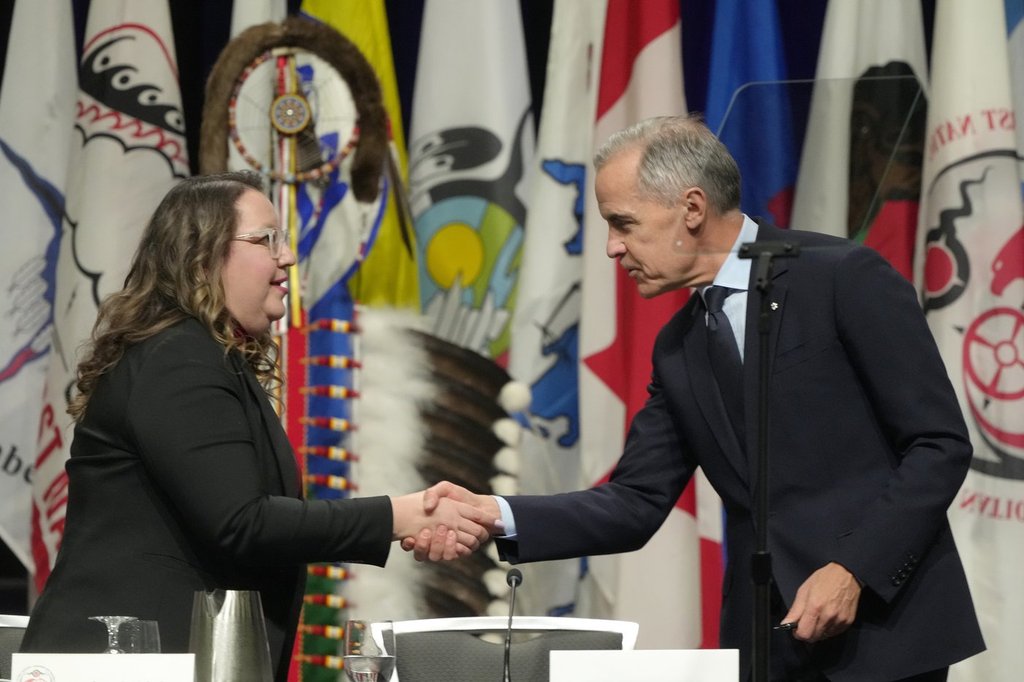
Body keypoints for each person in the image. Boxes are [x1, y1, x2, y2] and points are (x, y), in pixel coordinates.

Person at [406, 116, 984, 681]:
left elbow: (938, 444)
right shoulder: (679, 348)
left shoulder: (841, 277)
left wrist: (855, 569)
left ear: (691, 208)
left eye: (623, 223)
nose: (611, 248)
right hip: (766, 643)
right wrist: (495, 514)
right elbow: (634, 502)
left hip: (885, 633)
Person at [20, 171, 496, 680]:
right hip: (124, 662)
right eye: (267, 240)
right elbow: (240, 523)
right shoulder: (178, 357)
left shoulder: (201, 355)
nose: (288, 257)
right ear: (201, 255)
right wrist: (397, 516)